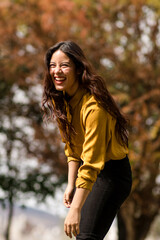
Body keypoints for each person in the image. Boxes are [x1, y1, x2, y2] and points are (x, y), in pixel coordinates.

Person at [42, 40, 132, 240]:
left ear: (78, 69)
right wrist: (70, 184)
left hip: (112, 175)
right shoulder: (65, 102)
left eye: (64, 65)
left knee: (86, 236)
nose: (57, 71)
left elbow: (91, 163)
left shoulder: (94, 108)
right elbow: (72, 148)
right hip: (92, 171)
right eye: (52, 66)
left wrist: (75, 209)